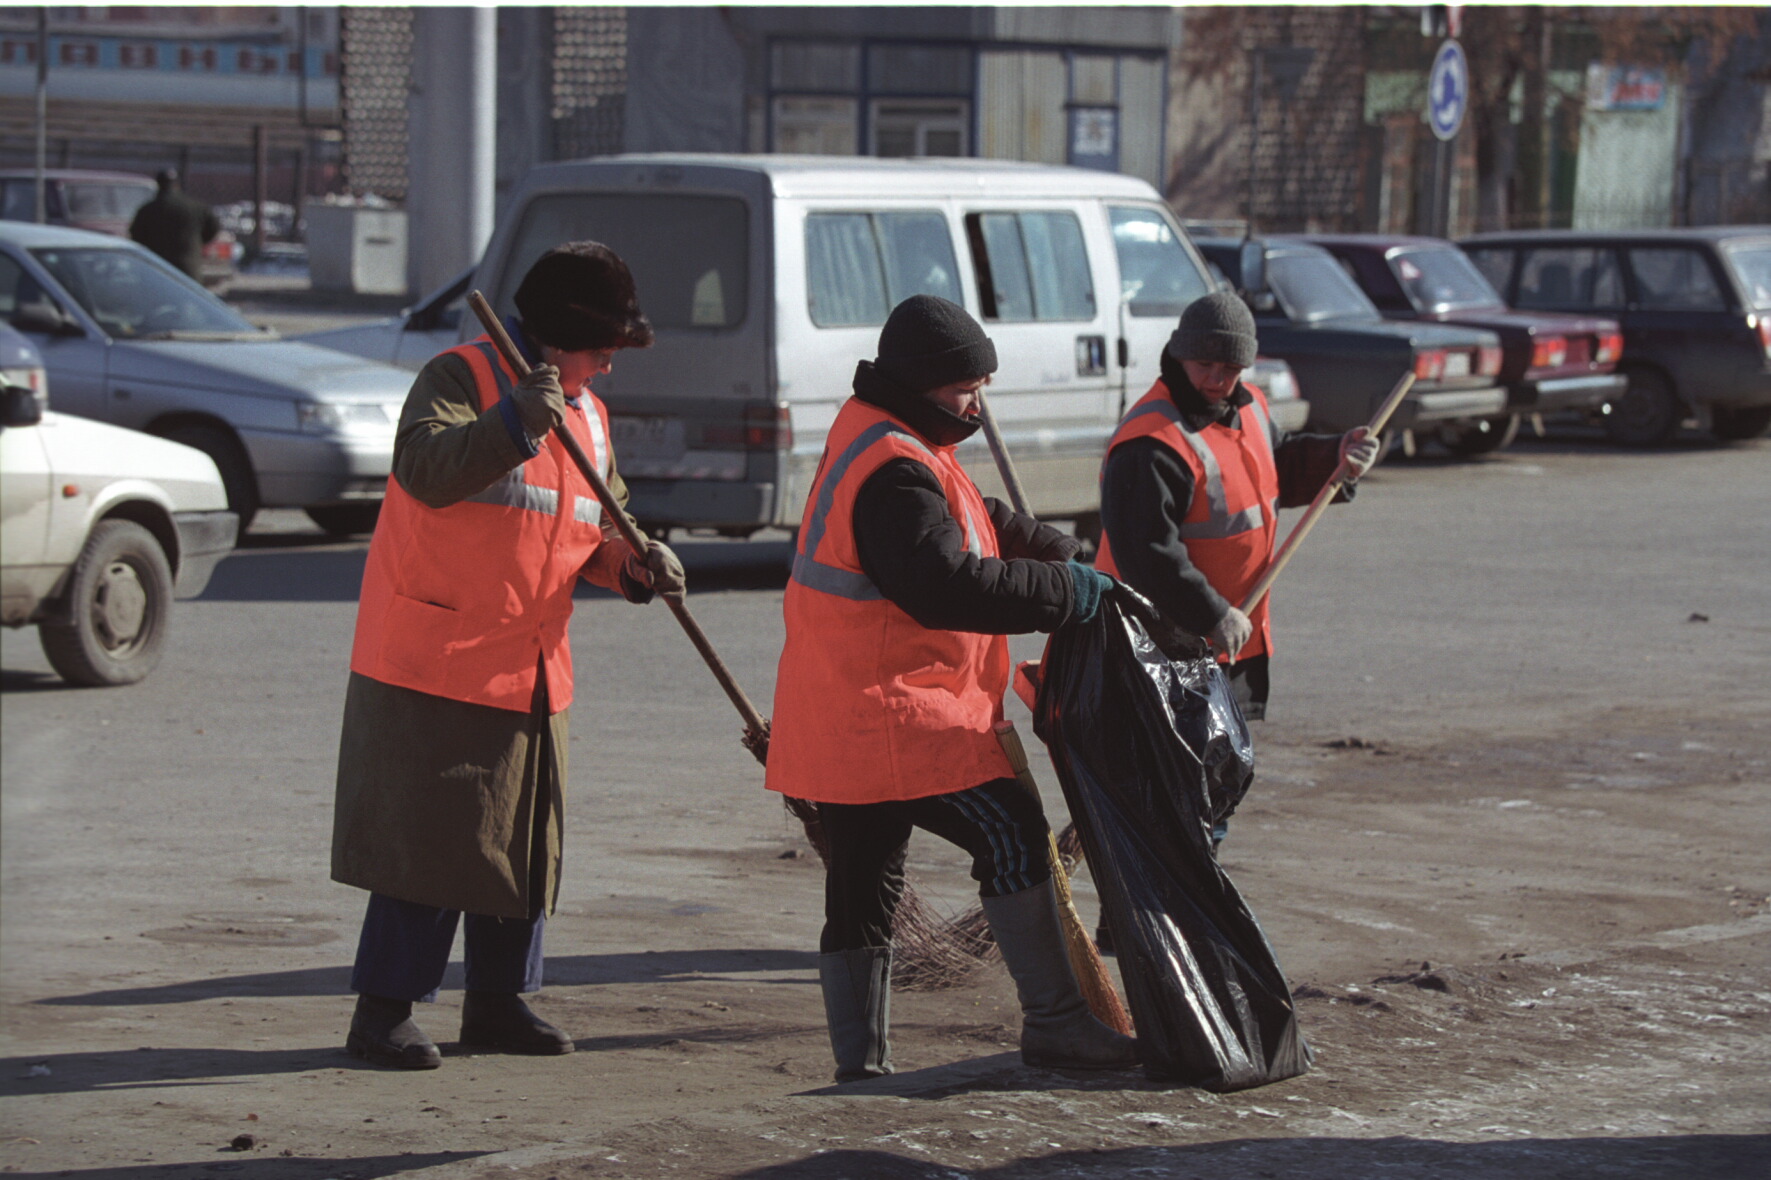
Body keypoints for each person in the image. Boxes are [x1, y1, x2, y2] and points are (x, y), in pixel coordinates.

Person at [330, 241, 686, 1070]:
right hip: (439, 654)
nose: (610, 366)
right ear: (562, 339)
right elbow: (424, 468)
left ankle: (497, 1003)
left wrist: (634, 566)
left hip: (530, 660)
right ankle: (382, 1012)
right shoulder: (459, 378)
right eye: (604, 349)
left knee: (523, 841)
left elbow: (594, 529)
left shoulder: (590, 412)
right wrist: (513, 422)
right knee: (431, 845)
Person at [766, 294, 1138, 1083]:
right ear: (927, 383)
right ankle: (1058, 1023)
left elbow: (984, 518)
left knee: (863, 883)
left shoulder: (886, 436)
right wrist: (1065, 593)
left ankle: (860, 1067)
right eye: (969, 387)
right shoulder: (895, 471)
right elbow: (944, 583)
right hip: (898, 713)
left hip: (845, 712)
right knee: (1012, 835)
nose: (980, 402)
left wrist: (1073, 559)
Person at [1097, 289, 1380, 840]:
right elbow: (1147, 555)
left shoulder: (1247, 408)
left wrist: (1335, 457)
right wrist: (1210, 614)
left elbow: (1279, 469)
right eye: (1205, 365)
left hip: (1230, 643)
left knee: (1212, 794)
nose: (1216, 379)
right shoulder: (1150, 443)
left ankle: (1174, 919)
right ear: (1178, 355)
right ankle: (1160, 922)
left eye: (1230, 368)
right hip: (1164, 650)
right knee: (1181, 803)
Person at [128, 168, 220, 281]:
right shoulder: (196, 207)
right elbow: (213, 228)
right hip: (188, 267)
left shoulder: (147, 210)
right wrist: (196, 242)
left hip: (157, 268)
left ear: (158, 185)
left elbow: (136, 236)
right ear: (177, 185)